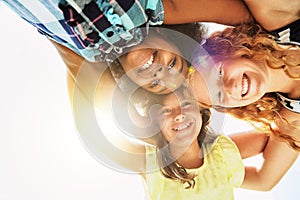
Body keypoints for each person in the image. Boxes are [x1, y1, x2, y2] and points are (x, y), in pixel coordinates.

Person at [53, 40, 297, 198]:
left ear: (203, 114)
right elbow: (95, 137)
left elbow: (273, 138)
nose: (179, 115)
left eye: (188, 106)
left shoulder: (221, 153)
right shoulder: (151, 161)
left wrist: (289, 101)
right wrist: (75, 61)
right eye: (165, 113)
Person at [1, 0, 251, 63]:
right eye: (173, 64)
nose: (160, 73)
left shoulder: (92, 52)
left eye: (156, 85)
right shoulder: (142, 13)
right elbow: (245, 16)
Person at [191, 22, 300, 150]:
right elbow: (269, 170)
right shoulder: (292, 123)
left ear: (228, 50)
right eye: (219, 95)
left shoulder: (281, 23)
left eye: (219, 74)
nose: (230, 87)